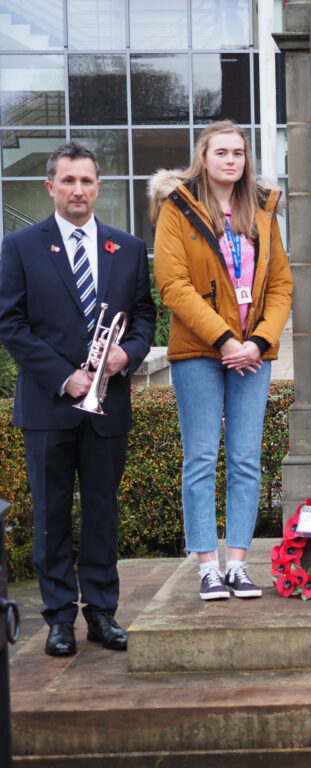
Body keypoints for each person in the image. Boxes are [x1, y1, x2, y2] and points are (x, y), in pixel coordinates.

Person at [0, 143, 155, 656]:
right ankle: (59, 619)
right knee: (50, 517)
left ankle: (103, 614)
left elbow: (145, 317)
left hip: (107, 404)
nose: (77, 191)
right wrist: (64, 377)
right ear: (51, 187)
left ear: (98, 187)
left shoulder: (127, 248)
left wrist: (124, 356)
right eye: (68, 181)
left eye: (86, 181)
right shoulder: (21, 246)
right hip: (49, 404)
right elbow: (11, 325)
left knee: (102, 513)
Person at [151, 120, 293, 601]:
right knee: (201, 458)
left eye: (238, 153)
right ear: (203, 158)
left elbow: (280, 286)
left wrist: (257, 341)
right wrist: (225, 339)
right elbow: (173, 285)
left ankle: (237, 563)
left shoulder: (264, 211)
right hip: (199, 352)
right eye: (221, 152)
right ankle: (206, 565)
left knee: (246, 459)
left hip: (253, 353)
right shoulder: (177, 209)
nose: (231, 160)